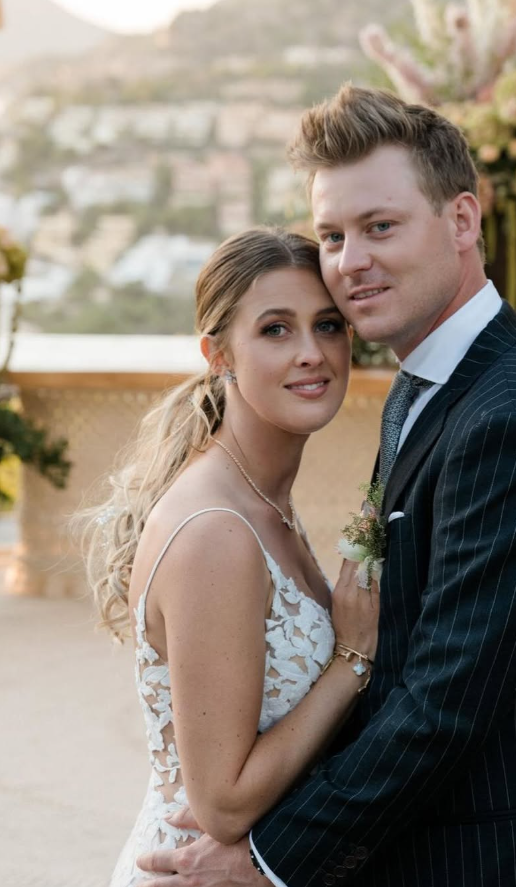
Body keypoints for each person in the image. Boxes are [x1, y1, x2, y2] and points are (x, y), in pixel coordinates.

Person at [137, 86, 516, 887]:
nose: (349, 262)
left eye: (379, 227)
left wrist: (269, 858)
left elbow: (442, 705)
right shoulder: (419, 389)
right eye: (332, 234)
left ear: (462, 222)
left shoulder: (511, 421)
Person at [81, 227, 380, 887]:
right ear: (219, 355)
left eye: (327, 325)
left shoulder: (265, 499)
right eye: (275, 330)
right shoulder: (218, 529)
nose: (311, 353)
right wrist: (352, 657)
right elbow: (221, 801)